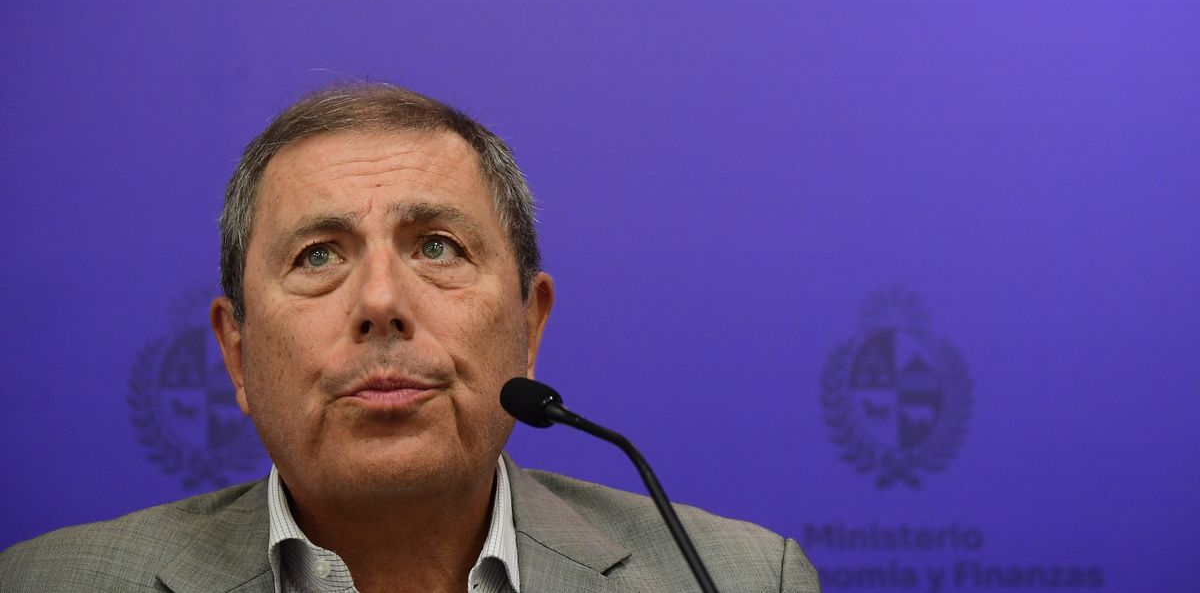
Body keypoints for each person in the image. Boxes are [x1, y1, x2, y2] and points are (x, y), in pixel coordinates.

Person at [0, 83, 821, 592]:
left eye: (436, 246)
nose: (382, 301)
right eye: (318, 256)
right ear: (238, 353)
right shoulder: (43, 582)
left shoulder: (736, 579)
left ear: (529, 325)